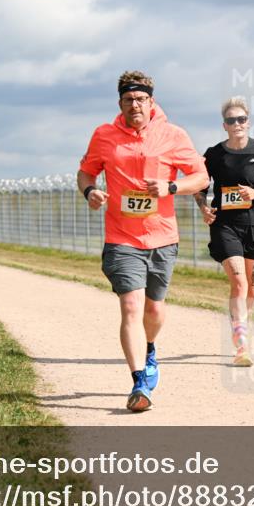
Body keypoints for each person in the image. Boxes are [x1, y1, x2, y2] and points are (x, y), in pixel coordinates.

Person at [77, 70, 208, 412]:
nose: (134, 105)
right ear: (119, 103)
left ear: (151, 101)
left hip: (162, 237)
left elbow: (200, 176)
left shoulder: (173, 135)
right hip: (121, 237)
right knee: (131, 306)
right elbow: (86, 172)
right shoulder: (104, 135)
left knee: (154, 309)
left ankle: (150, 349)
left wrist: (171, 187)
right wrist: (90, 191)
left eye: (140, 99)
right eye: (128, 99)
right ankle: (139, 384)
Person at [195, 97, 254, 366]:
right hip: (226, 226)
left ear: (248, 122)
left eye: (241, 119)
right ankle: (241, 343)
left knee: (253, 290)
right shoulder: (214, 154)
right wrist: (203, 207)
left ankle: (241, 321)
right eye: (231, 120)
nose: (237, 124)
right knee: (239, 283)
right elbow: (200, 187)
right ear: (224, 125)